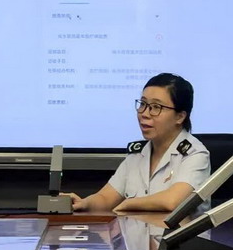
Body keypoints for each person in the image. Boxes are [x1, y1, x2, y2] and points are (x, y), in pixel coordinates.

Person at [64, 73, 210, 212]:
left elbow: (172, 201)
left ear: (180, 117)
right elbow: (106, 198)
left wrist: (128, 204)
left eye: (156, 107)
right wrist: (84, 203)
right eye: (143, 104)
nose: (144, 114)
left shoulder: (195, 154)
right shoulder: (137, 155)